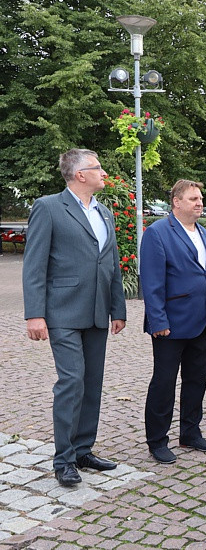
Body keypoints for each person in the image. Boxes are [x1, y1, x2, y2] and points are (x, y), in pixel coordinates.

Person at [22, 148, 127, 487]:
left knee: (92, 383)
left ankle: (83, 450)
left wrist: (118, 308)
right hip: (62, 311)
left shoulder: (105, 213)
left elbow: (110, 264)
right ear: (81, 174)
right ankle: (63, 460)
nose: (103, 173)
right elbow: (34, 265)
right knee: (72, 381)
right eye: (98, 168)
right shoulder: (49, 207)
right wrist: (35, 314)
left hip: (97, 311)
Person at [140, 179, 206, 464]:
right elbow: (151, 283)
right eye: (193, 199)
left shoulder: (203, 233)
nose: (199, 203)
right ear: (176, 202)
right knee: (164, 383)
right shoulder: (158, 233)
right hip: (171, 324)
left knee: (196, 381)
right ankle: (157, 440)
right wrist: (158, 321)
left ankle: (190, 432)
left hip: (200, 321)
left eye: (200, 199)